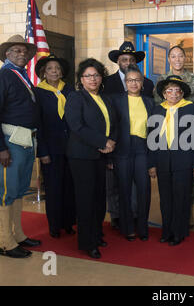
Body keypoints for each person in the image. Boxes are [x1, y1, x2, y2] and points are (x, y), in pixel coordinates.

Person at [0, 34, 42, 258]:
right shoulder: (1, 78)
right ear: (7, 54)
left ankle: (17, 235)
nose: (22, 54)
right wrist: (0, 148)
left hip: (26, 142)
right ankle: (6, 243)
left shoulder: (21, 76)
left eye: (24, 51)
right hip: (10, 143)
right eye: (16, 51)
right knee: (6, 192)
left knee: (18, 190)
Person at [65, 58, 117, 259]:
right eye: (88, 76)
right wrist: (102, 142)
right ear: (81, 79)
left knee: (98, 198)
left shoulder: (105, 98)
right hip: (82, 156)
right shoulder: (76, 98)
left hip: (101, 155)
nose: (93, 79)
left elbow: (113, 123)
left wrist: (110, 142)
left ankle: (96, 234)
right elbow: (76, 126)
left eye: (96, 75)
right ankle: (87, 242)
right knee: (86, 200)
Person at [148, 75, 194, 245]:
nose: (173, 94)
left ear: (182, 93)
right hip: (163, 161)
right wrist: (152, 164)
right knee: (165, 199)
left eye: (177, 90)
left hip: (183, 161)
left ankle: (179, 232)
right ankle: (167, 231)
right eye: (169, 90)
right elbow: (152, 138)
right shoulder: (157, 110)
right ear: (164, 94)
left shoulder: (190, 109)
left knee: (181, 198)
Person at [105, 41, 153, 229]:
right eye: (124, 59)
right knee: (116, 186)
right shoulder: (107, 83)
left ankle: (137, 220)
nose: (128, 62)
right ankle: (118, 217)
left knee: (139, 187)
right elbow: (108, 119)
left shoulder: (148, 85)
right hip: (118, 145)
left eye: (131, 59)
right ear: (118, 61)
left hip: (141, 146)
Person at [34, 54, 76, 239]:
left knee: (69, 187)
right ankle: (54, 225)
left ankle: (68, 222)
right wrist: (42, 151)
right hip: (50, 149)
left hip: (71, 148)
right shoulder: (38, 92)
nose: (54, 71)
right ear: (44, 72)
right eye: (50, 69)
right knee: (53, 188)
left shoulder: (69, 90)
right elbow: (38, 124)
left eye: (57, 68)